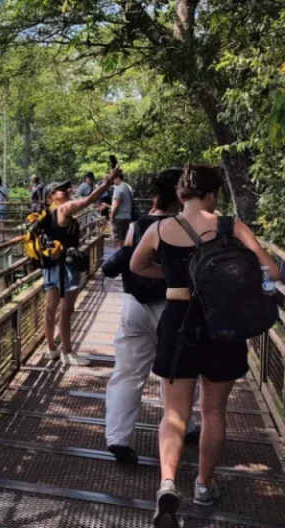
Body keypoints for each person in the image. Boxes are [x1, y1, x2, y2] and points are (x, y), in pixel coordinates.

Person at [131, 165, 280, 526]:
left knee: (173, 413)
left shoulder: (160, 229)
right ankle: (203, 484)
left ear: (181, 194)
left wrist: (173, 274)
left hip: (178, 321)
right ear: (212, 194)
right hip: (223, 323)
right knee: (213, 410)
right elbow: (272, 272)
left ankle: (167, 484)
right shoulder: (231, 226)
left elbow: (136, 267)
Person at [103, 169, 199, 465]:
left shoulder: (137, 224)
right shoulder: (185, 227)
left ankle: (117, 437)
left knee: (127, 373)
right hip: (173, 306)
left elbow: (130, 262)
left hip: (134, 305)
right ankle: (187, 424)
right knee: (176, 370)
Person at [42, 166, 121, 366]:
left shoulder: (48, 212)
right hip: (65, 267)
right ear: (52, 196)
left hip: (51, 265)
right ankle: (67, 352)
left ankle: (51, 348)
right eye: (62, 189)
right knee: (66, 310)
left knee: (51, 308)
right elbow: (87, 200)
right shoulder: (63, 208)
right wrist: (108, 182)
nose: (67, 191)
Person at [110, 171, 134, 248]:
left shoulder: (118, 188)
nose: (113, 181)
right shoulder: (128, 187)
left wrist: (112, 216)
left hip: (119, 218)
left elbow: (116, 204)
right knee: (125, 239)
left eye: (113, 179)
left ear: (117, 178)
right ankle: (124, 258)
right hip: (128, 217)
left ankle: (118, 258)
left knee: (117, 240)